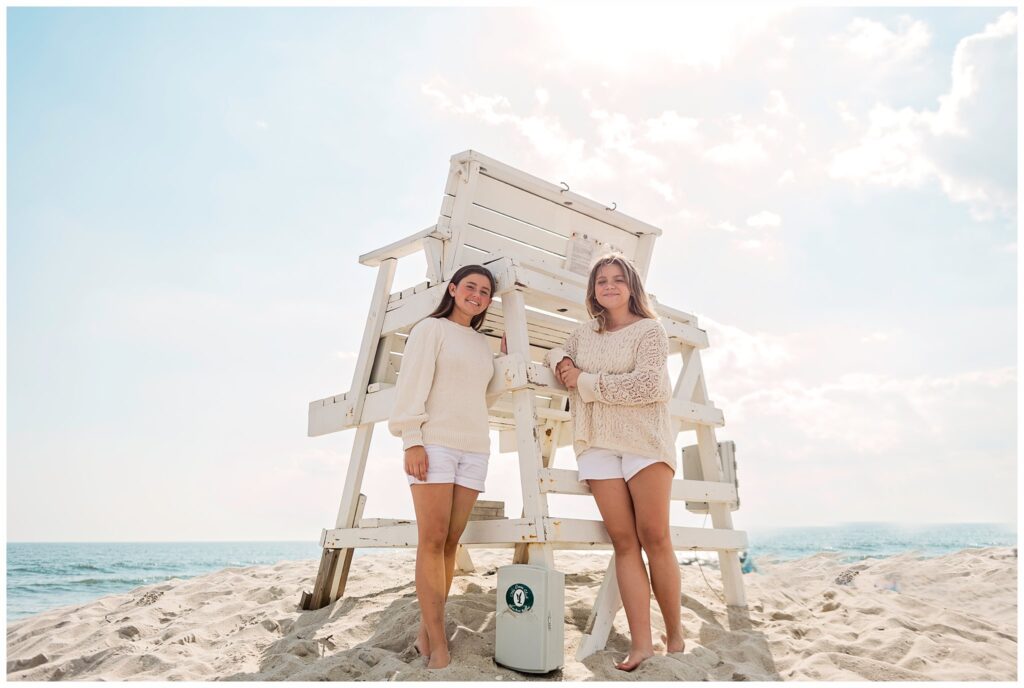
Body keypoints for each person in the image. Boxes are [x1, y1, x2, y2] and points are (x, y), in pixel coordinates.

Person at [546, 253, 685, 671]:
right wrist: (562, 363)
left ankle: (675, 635)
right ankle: (641, 644)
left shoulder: (650, 331)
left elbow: (649, 386)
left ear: (631, 287)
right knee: (624, 542)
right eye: (601, 280)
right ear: (593, 290)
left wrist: (585, 382)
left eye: (617, 280)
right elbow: (555, 352)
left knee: (654, 536)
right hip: (597, 444)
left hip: (644, 441)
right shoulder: (583, 333)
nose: (609, 286)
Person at [387, 264, 503, 670]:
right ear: (453, 289)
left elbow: (476, 394)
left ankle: (425, 632)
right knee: (431, 540)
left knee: (452, 542)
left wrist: (504, 357)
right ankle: (438, 643)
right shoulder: (429, 330)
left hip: (475, 448)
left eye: (485, 291)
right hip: (433, 443)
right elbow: (412, 386)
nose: (476, 294)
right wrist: (411, 440)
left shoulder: (481, 344)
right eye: (469, 286)